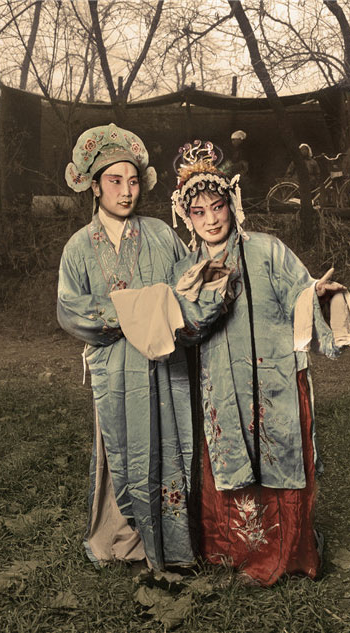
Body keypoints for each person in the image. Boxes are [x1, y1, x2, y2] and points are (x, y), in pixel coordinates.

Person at [169, 141, 350, 586]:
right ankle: (232, 554)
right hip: (221, 384)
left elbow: (300, 294)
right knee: (230, 464)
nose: (211, 220)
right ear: (186, 216)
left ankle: (289, 555)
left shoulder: (267, 249)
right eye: (199, 212)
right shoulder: (184, 269)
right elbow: (180, 330)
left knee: (279, 457)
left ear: (232, 204)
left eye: (218, 207)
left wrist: (314, 295)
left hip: (273, 379)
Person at [57, 124, 229, 572]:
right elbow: (70, 308)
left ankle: (174, 544)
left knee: (168, 446)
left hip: (164, 365)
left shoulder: (159, 234)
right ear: (94, 186)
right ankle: (120, 538)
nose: (126, 191)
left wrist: (206, 288)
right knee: (122, 451)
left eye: (133, 181)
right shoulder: (79, 247)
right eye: (115, 181)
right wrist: (135, 310)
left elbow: (187, 291)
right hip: (115, 368)